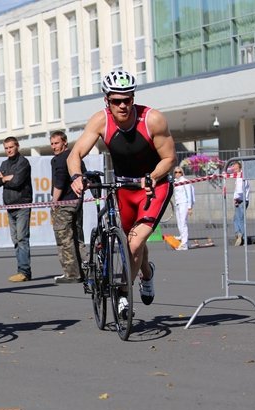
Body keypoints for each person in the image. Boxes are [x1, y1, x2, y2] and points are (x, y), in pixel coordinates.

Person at [68, 70, 175, 316]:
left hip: (152, 187)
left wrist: (153, 176)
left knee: (136, 241)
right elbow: (75, 154)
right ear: (107, 101)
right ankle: (147, 272)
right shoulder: (100, 121)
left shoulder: (153, 119)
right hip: (123, 188)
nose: (123, 105)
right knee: (130, 243)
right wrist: (76, 176)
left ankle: (124, 294)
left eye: (128, 99)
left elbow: (169, 158)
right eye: (117, 101)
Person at [0, 136, 32, 282]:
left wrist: (5, 179)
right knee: (15, 239)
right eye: (6, 148)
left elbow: (17, 182)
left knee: (22, 238)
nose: (8, 150)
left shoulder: (23, 163)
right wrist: (4, 179)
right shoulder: (4, 163)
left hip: (22, 205)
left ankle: (24, 271)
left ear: (17, 147)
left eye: (11, 147)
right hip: (9, 206)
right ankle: (21, 270)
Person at [49, 131, 86, 284]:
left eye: (56, 143)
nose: (54, 147)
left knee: (64, 239)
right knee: (78, 237)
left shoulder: (59, 160)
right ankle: (85, 271)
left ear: (65, 142)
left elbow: (60, 181)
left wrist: (54, 202)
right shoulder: (75, 157)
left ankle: (71, 274)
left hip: (64, 204)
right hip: (77, 201)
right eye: (51, 144)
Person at [172, 166, 194, 251]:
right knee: (179, 222)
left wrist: (189, 207)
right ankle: (182, 236)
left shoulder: (185, 181)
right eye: (176, 172)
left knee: (183, 223)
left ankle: (184, 244)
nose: (177, 174)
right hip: (177, 204)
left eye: (179, 172)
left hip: (184, 203)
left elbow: (189, 194)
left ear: (182, 173)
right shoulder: (175, 182)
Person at [231, 160, 250, 246]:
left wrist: (236, 199)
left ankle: (242, 236)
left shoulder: (241, 176)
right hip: (240, 200)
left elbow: (240, 190)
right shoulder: (238, 175)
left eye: (234, 166)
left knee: (240, 219)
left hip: (241, 200)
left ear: (239, 167)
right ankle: (238, 234)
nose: (233, 168)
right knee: (236, 218)